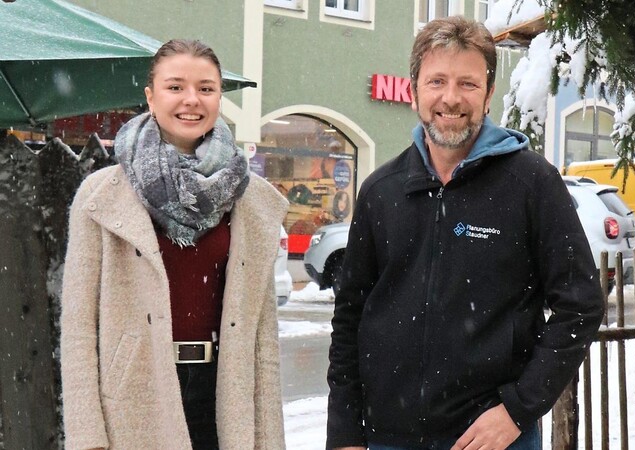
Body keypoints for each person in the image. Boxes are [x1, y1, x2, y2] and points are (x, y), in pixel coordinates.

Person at [326, 16, 604, 450]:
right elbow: (349, 319)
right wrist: (344, 433)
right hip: (386, 438)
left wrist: (517, 409)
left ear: (489, 94)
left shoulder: (531, 184)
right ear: (413, 89)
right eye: (437, 81)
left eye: (468, 84)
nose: (450, 98)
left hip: (491, 440)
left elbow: (580, 305)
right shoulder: (381, 191)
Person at [60, 39, 288, 450]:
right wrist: (86, 435)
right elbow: (78, 329)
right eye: (175, 86)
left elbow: (262, 336)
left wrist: (269, 436)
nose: (191, 101)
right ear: (150, 96)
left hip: (225, 393)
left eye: (206, 88)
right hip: (134, 395)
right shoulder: (102, 196)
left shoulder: (250, 198)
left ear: (220, 97)